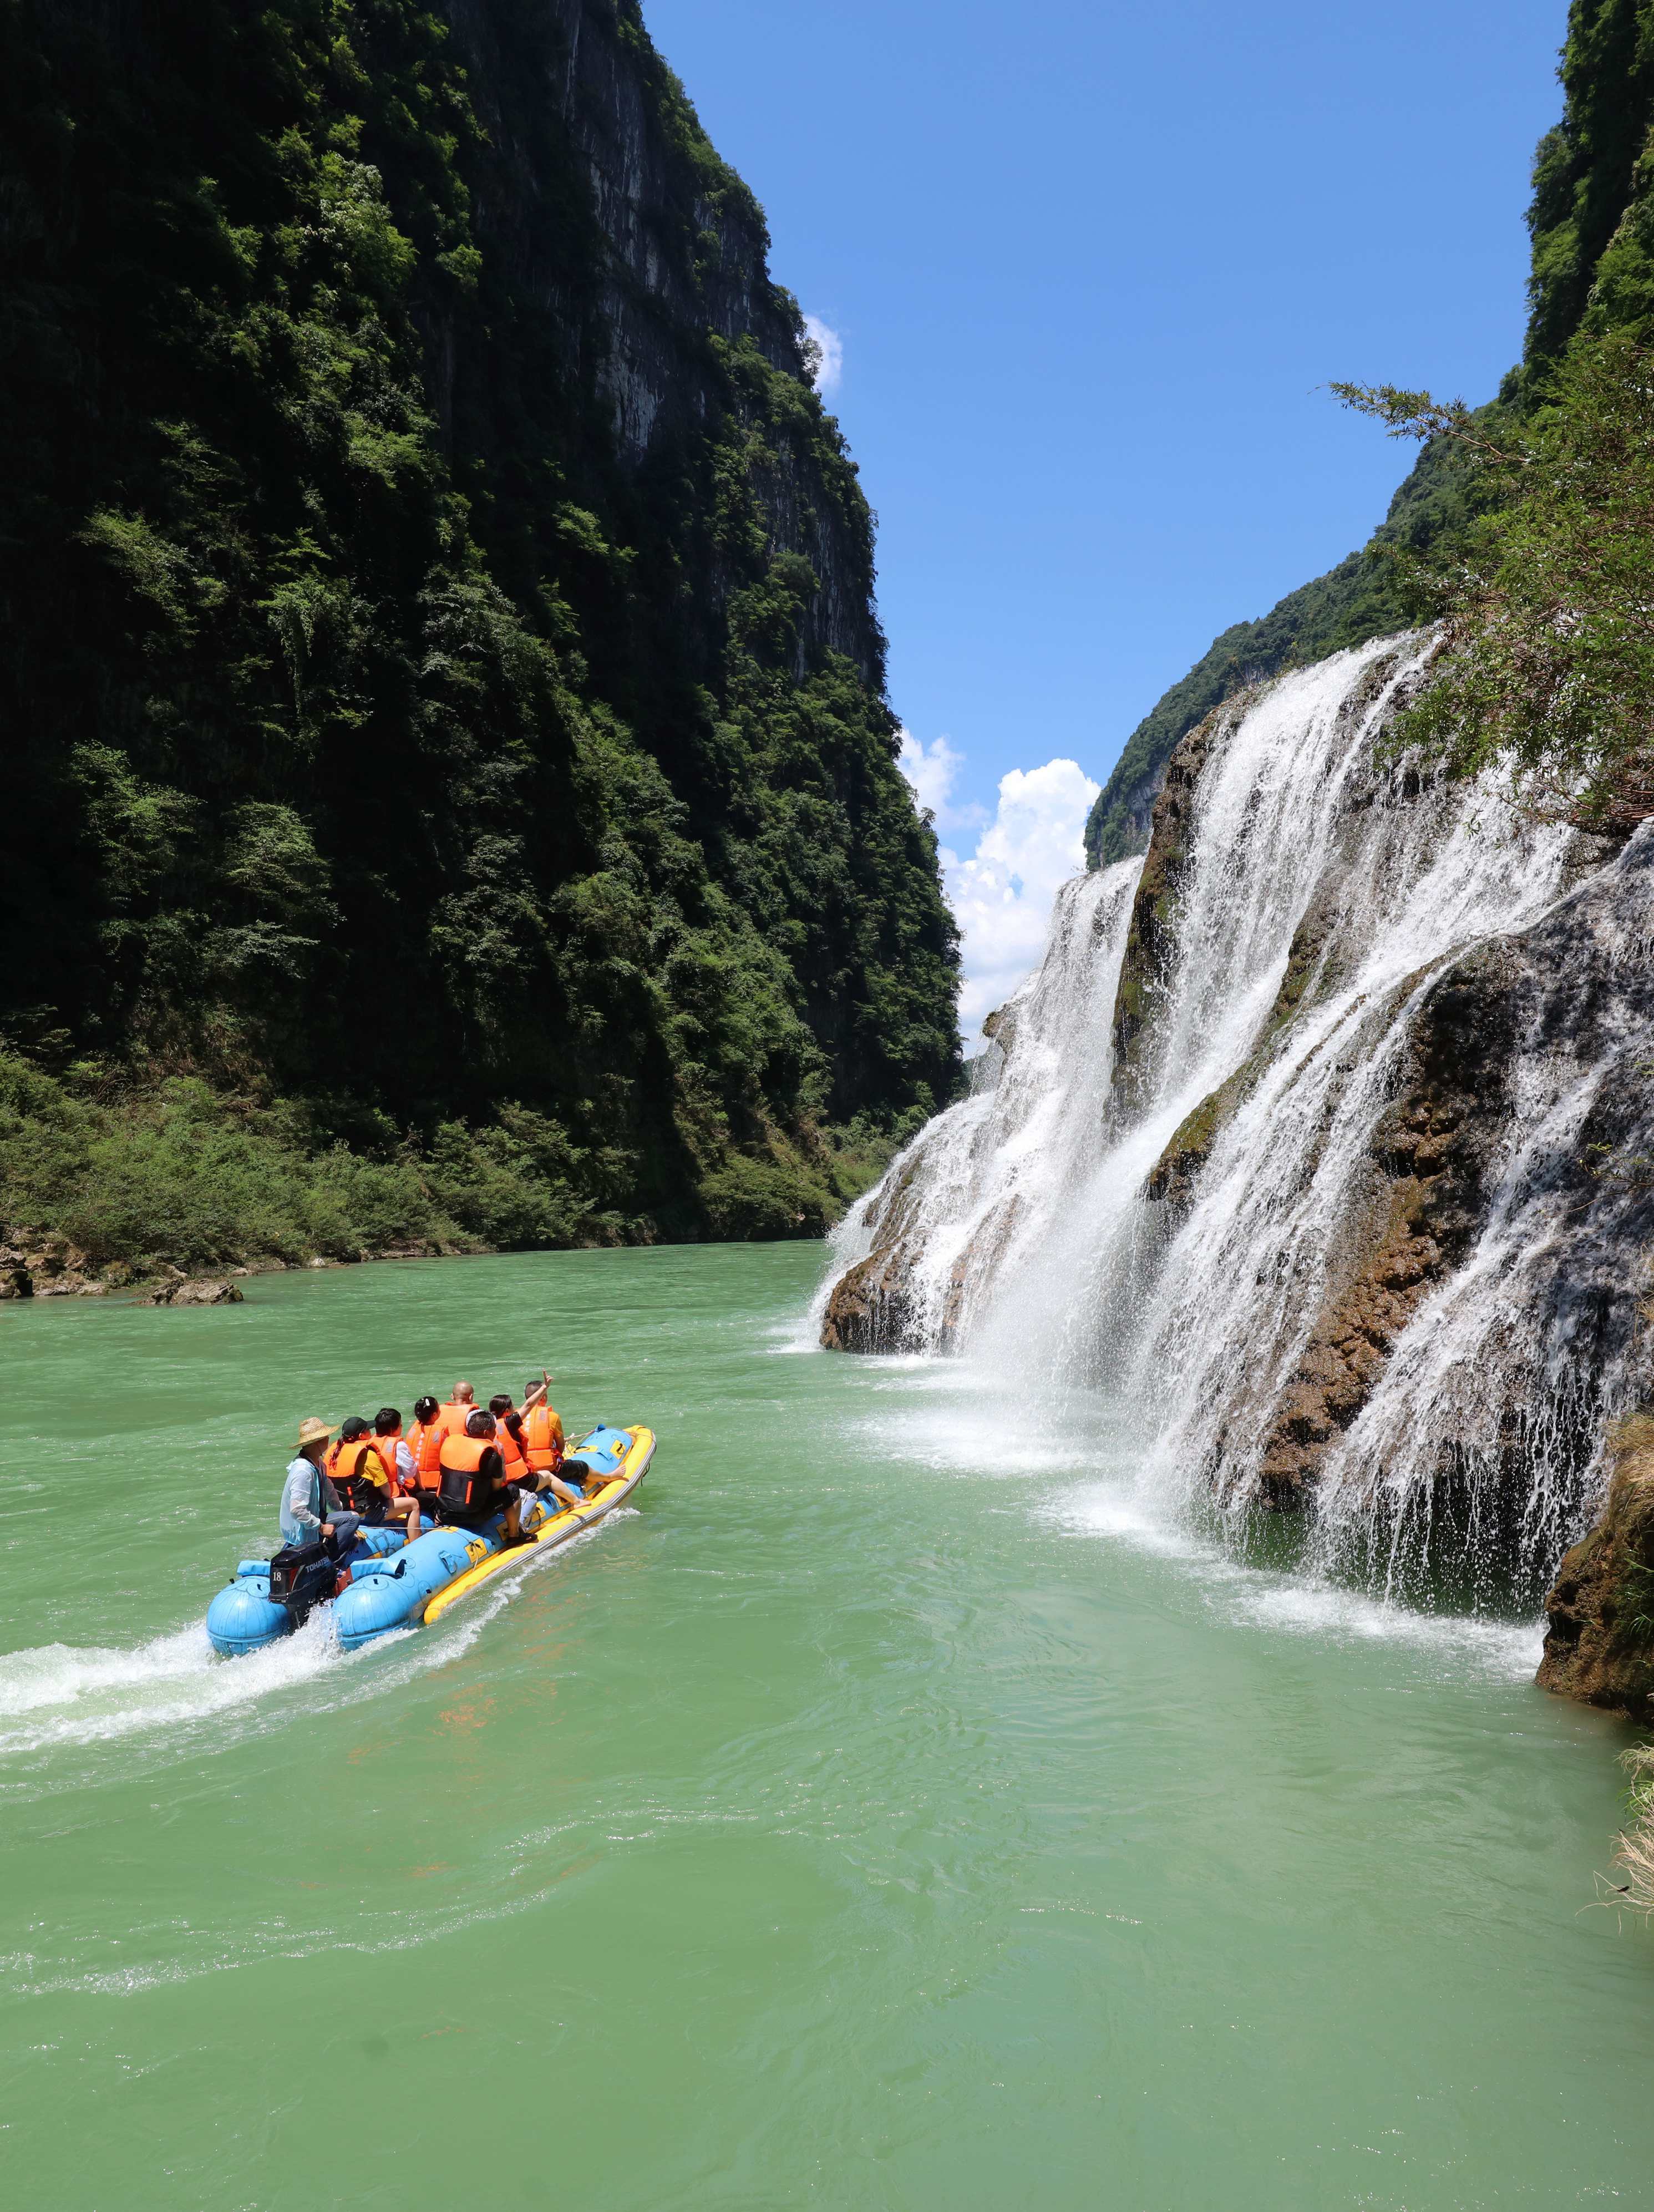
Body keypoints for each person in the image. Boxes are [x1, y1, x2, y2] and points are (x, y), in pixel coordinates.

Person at [436, 1407, 524, 1543]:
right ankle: (515, 1536)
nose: (496, 1433)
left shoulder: (449, 1443)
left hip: (443, 1512)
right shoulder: (491, 1455)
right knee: (512, 1491)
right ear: (486, 1432)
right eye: (494, 1429)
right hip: (472, 1517)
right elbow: (496, 1488)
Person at [280, 1416, 361, 1555]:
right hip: (302, 1527)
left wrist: (341, 1509)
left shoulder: (319, 1465)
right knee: (353, 1519)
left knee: (349, 1517)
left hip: (315, 1517)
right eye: (325, 1436)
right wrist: (321, 1527)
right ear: (317, 1442)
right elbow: (297, 1510)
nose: (329, 1439)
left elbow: (330, 1492)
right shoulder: (303, 1471)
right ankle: (331, 1560)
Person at [368, 1407, 423, 1541]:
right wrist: (420, 1486)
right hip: (389, 1498)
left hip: (369, 1499)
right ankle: (416, 1542)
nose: (402, 1427)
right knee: (415, 1504)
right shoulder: (398, 1445)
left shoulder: (369, 1443)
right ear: (393, 1430)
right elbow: (411, 1472)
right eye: (400, 1424)